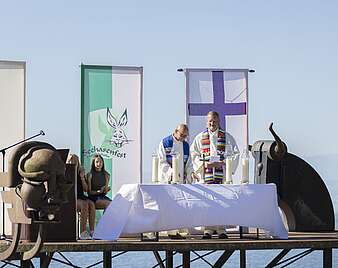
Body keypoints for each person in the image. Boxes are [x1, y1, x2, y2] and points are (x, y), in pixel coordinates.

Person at [190, 111, 239, 239]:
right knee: (207, 201)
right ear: (207, 122)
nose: (212, 123)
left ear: (219, 122)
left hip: (221, 175)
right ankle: (208, 229)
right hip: (205, 175)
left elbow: (235, 154)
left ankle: (222, 229)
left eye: (215, 121)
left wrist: (223, 163)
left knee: (222, 201)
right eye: (210, 121)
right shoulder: (200, 137)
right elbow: (193, 154)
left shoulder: (227, 137)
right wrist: (204, 165)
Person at [158, 123, 193, 239]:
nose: (183, 138)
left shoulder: (186, 146)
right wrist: (172, 172)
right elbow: (161, 161)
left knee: (180, 206)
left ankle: (181, 231)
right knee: (169, 206)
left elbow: (188, 163)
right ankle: (170, 231)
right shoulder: (165, 143)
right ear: (175, 131)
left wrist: (190, 173)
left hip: (181, 181)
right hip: (168, 181)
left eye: (185, 136)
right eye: (182, 135)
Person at [66, 154, 96, 240]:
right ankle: (82, 232)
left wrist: (82, 177)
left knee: (91, 204)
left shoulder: (80, 172)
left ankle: (92, 231)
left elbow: (86, 189)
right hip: (71, 197)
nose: (73, 162)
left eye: (75, 160)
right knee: (84, 204)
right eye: (71, 160)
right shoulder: (65, 171)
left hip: (80, 195)